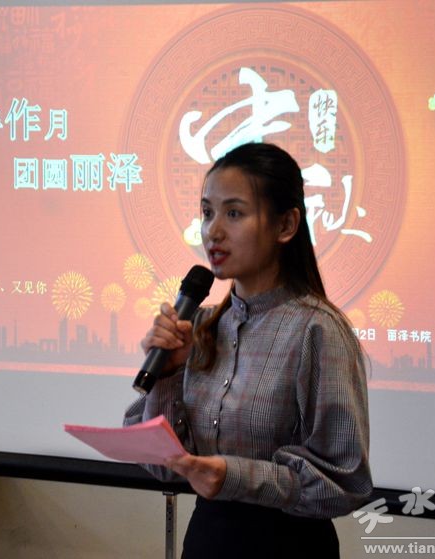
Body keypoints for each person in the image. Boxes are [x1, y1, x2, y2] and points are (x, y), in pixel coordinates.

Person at [123, 142, 371, 558]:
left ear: (286, 225)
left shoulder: (317, 330)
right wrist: (167, 375)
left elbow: (345, 483)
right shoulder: (199, 326)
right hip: (207, 541)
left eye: (234, 213)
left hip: (287, 547)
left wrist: (234, 476)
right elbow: (161, 464)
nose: (213, 231)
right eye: (207, 213)